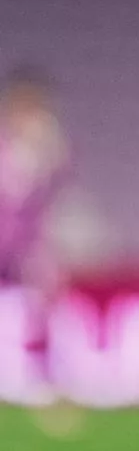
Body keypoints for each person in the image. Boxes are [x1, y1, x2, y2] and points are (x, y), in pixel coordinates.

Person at [0, 67, 70, 400]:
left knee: (39, 300)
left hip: (27, 245)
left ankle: (37, 375)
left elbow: (53, 189)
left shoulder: (47, 144)